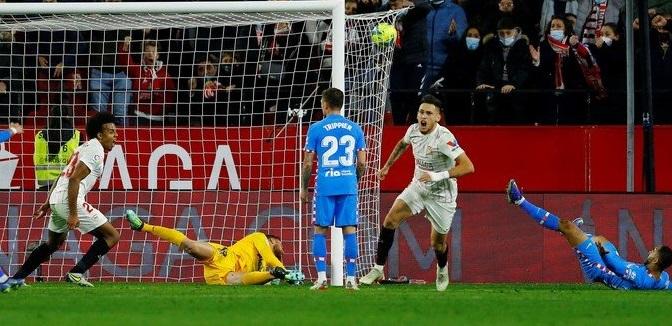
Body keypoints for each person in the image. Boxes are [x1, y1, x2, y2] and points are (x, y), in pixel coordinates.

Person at [505, 179, 672, 290]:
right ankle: (580, 234)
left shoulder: (642, 279)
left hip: (600, 269)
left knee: (566, 226)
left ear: (656, 259)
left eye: (653, 251)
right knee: (601, 238)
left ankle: (519, 201)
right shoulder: (662, 278)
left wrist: (605, 253)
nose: (650, 250)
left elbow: (616, 266)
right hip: (608, 264)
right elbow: (671, 286)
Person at [360, 95, 475, 291]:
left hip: (442, 195)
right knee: (390, 220)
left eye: (429, 113)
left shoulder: (444, 137)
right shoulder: (413, 130)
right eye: (421, 112)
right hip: (419, 187)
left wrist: (437, 176)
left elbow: (468, 166)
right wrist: (387, 167)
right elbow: (402, 144)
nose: (423, 116)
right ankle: (378, 268)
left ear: (438, 117)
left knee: (437, 244)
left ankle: (441, 268)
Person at [5, 112, 120, 290]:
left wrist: (48, 203)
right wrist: (73, 214)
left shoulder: (83, 147)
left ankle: (16, 278)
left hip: (58, 198)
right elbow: (74, 179)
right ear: (99, 134)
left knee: (53, 244)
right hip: (69, 200)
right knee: (112, 235)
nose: (116, 135)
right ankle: (77, 273)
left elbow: (62, 175)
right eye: (111, 132)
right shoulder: (95, 149)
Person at [300, 88, 367, 290]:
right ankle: (351, 278)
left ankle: (321, 278)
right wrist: (353, 181)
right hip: (347, 185)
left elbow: (308, 163)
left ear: (325, 104)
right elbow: (362, 163)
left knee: (320, 229)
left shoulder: (316, 128)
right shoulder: (355, 128)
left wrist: (304, 187)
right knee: (350, 230)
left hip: (325, 186)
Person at [124, 210, 293, 285]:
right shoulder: (259, 237)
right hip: (224, 256)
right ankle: (142, 226)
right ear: (271, 239)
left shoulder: (264, 268)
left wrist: (274, 275)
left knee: (236, 280)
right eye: (278, 243)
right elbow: (271, 258)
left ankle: (272, 274)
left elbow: (263, 273)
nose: (281, 248)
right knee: (190, 246)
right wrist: (286, 272)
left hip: (224, 277)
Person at [33, 110, 81, 190]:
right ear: (69, 118)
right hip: (66, 185)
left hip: (44, 185)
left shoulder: (39, 135)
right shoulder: (77, 136)